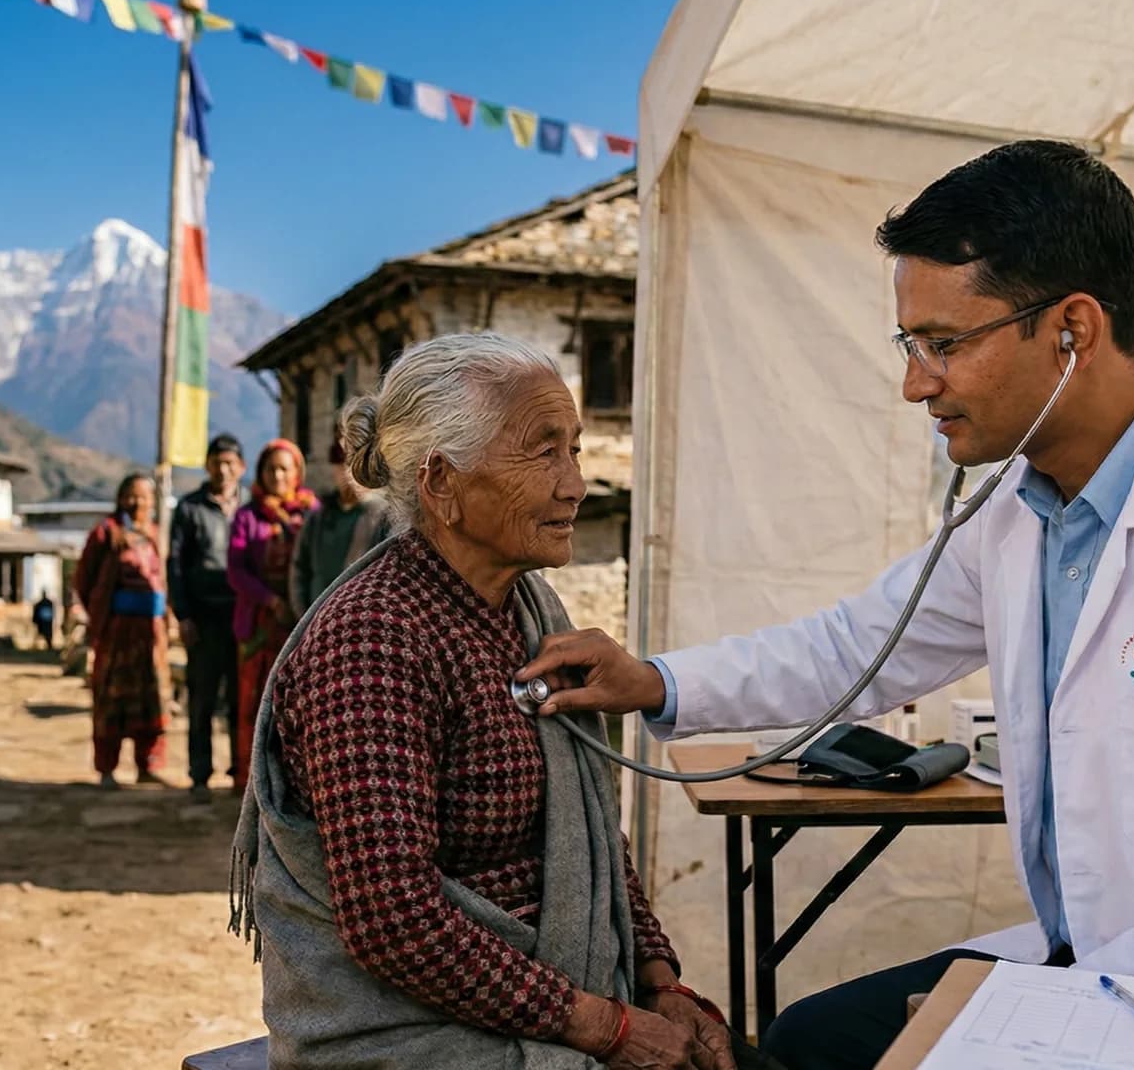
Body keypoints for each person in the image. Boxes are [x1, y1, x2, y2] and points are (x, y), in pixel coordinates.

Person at [519, 140, 1134, 1070]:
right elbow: (858, 648)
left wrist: (1072, 1002)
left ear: (1073, 330)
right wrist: (653, 681)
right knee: (810, 1042)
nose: (915, 382)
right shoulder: (1015, 514)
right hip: (1089, 959)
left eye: (944, 344)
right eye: (910, 344)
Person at [229, 333, 763, 1070]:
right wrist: (606, 1027)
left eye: (573, 449)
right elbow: (395, 922)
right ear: (442, 483)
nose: (574, 483)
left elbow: (592, 838)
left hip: (557, 1006)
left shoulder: (532, 612)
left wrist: (658, 981)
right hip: (404, 1034)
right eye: (544, 452)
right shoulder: (371, 642)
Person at [225, 438, 318, 793]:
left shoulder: (312, 513)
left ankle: (295, 786)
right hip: (260, 626)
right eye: (271, 469)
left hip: (303, 622)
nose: (278, 475)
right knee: (254, 701)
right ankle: (251, 783)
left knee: (298, 704)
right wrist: (269, 600)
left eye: (285, 468)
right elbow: (236, 570)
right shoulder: (247, 517)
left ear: (297, 473)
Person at [73, 473, 174, 790]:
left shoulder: (156, 535)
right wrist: (100, 612)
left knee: (153, 699)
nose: (137, 503)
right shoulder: (106, 534)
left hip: (151, 634)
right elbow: (83, 579)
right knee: (110, 700)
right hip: (117, 631)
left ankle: (148, 765)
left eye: (143, 496)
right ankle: (107, 768)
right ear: (119, 499)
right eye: (130, 496)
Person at [170, 434, 249, 800]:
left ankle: (239, 772)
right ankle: (200, 774)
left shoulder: (250, 507)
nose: (224, 469)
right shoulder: (189, 508)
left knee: (240, 698)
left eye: (231, 462)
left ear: (242, 468)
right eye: (217, 461)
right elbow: (176, 566)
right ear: (207, 465)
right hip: (202, 619)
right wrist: (182, 615)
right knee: (201, 698)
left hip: (243, 618)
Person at [289, 437, 393, 614]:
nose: (347, 470)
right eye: (341, 461)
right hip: (315, 621)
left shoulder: (384, 517)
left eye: (353, 461)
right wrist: (303, 617)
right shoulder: (317, 518)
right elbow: (299, 569)